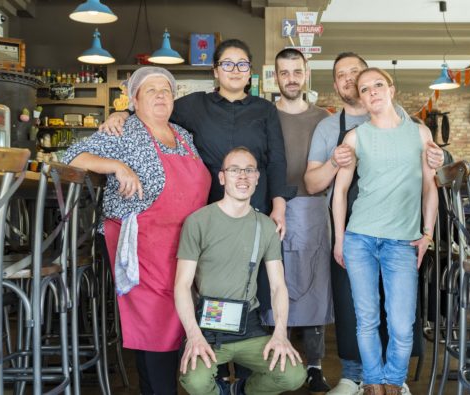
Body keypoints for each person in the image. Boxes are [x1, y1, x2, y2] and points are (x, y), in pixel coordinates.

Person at [100, 39, 294, 381]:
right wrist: (120, 113)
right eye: (228, 64)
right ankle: (214, 371)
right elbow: (151, 108)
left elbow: (276, 159)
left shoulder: (265, 109)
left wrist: (278, 205)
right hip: (208, 217)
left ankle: (248, 374)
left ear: (250, 72)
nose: (236, 70)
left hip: (254, 214)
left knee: (255, 292)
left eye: (243, 64)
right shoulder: (192, 105)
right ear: (215, 71)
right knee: (209, 290)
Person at [62, 67, 211, 395]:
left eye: (166, 91)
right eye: (151, 90)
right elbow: (71, 157)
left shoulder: (183, 135)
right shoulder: (125, 130)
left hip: (183, 245)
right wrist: (117, 166)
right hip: (141, 242)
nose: (160, 95)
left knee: (177, 316)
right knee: (156, 322)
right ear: (134, 100)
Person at [303, 52, 443, 395]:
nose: (372, 92)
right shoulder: (352, 136)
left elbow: (430, 188)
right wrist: (340, 239)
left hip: (401, 241)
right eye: (365, 89)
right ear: (360, 98)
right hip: (360, 238)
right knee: (366, 321)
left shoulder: (420, 133)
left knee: (401, 324)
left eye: (378, 85)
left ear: (391, 89)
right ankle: (373, 383)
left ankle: (393, 382)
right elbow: (339, 192)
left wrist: (428, 234)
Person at [174, 147, 306, 395]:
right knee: (195, 381)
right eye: (234, 170)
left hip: (249, 327)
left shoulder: (266, 226)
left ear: (257, 178)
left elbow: (278, 286)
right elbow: (182, 284)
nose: (242, 176)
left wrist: (280, 333)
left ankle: (242, 391)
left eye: (249, 170)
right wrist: (193, 335)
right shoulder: (198, 222)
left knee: (293, 375)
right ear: (222, 178)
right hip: (208, 329)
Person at [261, 48, 333, 393]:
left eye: (296, 71)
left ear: (306, 74)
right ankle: (282, 358)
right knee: (277, 283)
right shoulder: (264, 115)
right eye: (283, 72)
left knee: (315, 287)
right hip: (272, 207)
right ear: (275, 76)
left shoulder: (325, 118)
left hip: (313, 206)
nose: (290, 78)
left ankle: (315, 365)